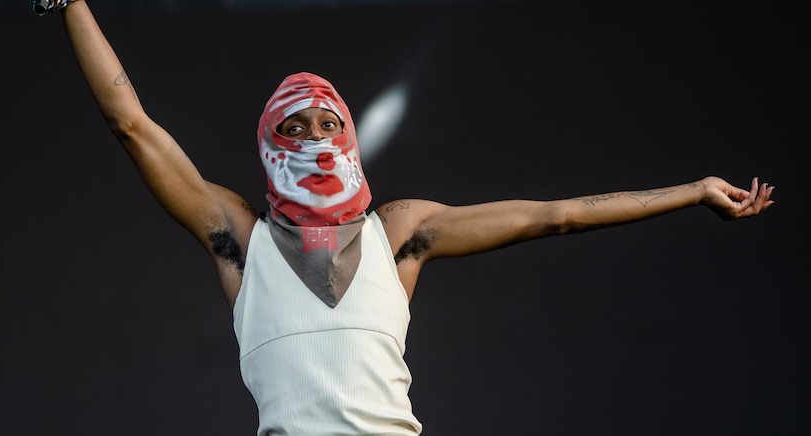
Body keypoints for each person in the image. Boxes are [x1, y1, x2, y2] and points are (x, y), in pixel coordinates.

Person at [52, 1, 774, 434]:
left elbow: (551, 216)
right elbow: (132, 124)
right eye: (293, 129)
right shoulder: (240, 241)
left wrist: (691, 190)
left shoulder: (397, 232)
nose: (313, 139)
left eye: (326, 123)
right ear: (268, 145)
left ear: (351, 135)